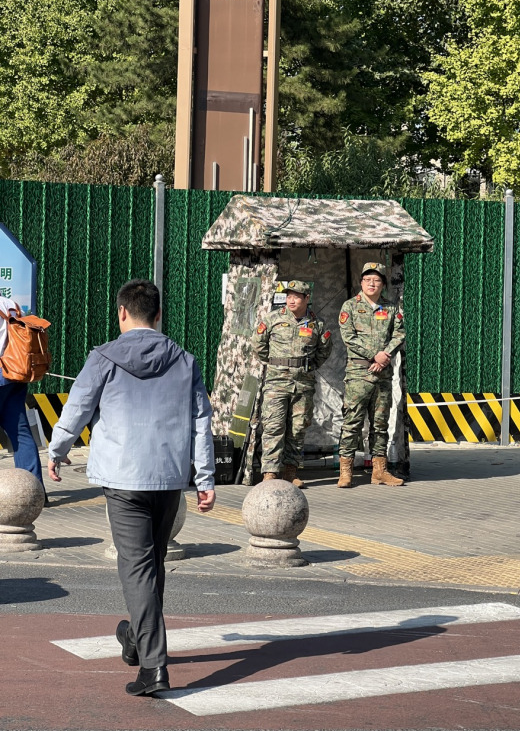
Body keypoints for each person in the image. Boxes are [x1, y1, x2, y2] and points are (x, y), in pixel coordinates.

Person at [47, 279, 215, 696]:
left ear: (122, 312)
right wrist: (205, 479)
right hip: (169, 477)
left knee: (137, 567)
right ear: (158, 315)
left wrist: (57, 449)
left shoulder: (104, 356)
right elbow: (201, 423)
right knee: (151, 565)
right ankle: (137, 639)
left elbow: (79, 405)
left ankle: (154, 668)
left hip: (123, 478)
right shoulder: (185, 360)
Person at [252, 280, 332, 487]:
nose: (291, 300)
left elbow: (324, 351)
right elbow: (259, 345)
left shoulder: (317, 324)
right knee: (274, 426)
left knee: (297, 429)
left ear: (307, 299)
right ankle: (270, 472)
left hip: (303, 384)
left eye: (296, 296)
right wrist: (277, 364)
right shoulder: (273, 319)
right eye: (289, 296)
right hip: (276, 382)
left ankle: (290, 472)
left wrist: (306, 366)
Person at [337, 262, 405, 488]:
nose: (372, 283)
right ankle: (345, 472)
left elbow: (399, 334)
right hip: (359, 373)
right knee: (352, 422)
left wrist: (384, 355)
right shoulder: (350, 306)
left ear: (383, 284)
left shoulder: (391, 308)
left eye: (376, 280)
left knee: (380, 424)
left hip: (382, 373)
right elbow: (349, 338)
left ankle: (379, 470)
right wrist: (373, 356)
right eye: (367, 280)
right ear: (361, 282)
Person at [0, 296, 46, 494]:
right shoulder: (11, 304)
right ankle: (34, 492)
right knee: (20, 433)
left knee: (20, 432)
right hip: (16, 373)